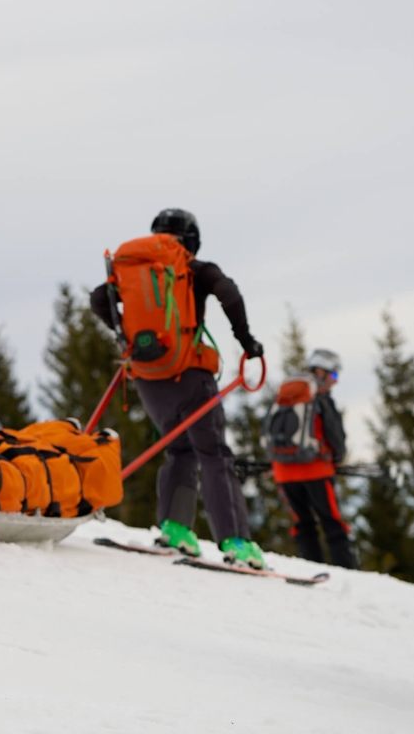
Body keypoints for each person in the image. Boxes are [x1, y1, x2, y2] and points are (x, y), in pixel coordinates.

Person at [90, 208, 266, 568]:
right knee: (214, 454)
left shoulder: (133, 268)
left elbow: (97, 298)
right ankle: (237, 543)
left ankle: (175, 530)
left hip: (148, 379)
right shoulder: (193, 268)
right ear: (192, 241)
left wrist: (126, 337)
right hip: (189, 374)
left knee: (179, 451)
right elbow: (228, 292)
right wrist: (247, 341)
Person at [268, 349, 356, 568]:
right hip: (316, 469)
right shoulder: (320, 397)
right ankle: (347, 571)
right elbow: (335, 434)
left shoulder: (285, 394)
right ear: (320, 371)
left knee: (303, 524)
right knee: (332, 523)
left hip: (284, 471)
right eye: (333, 375)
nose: (335, 381)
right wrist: (337, 458)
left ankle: (312, 569)